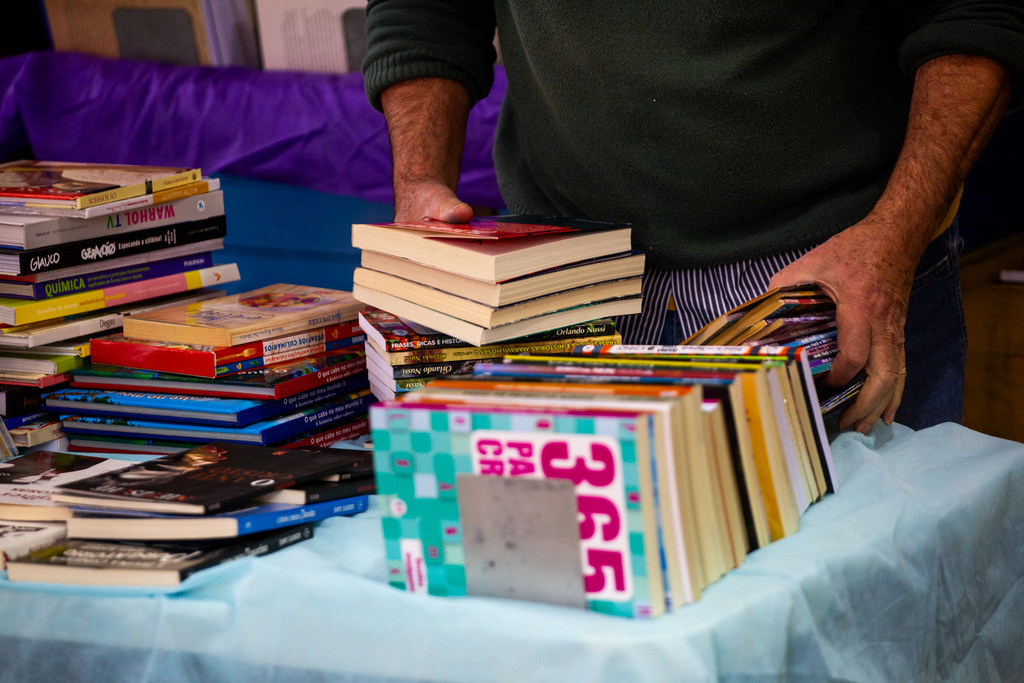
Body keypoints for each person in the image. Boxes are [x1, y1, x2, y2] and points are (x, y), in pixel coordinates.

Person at [360, 3, 1024, 434]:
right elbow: (426, 9)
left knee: (876, 616)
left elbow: (976, 14)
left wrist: (892, 236)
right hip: (571, 287)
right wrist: (419, 183)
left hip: (836, 278)